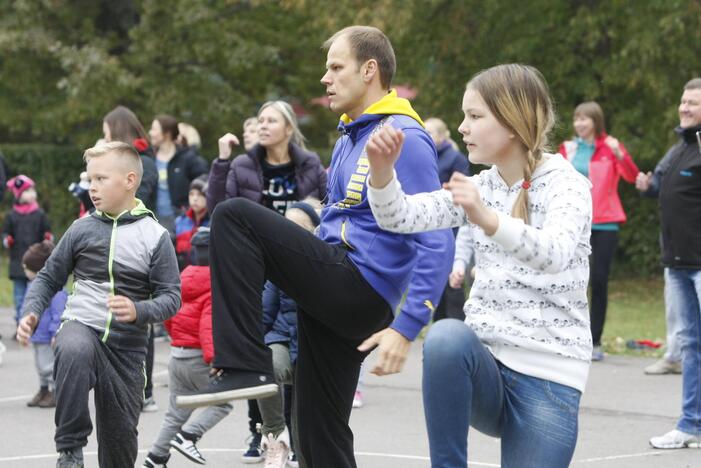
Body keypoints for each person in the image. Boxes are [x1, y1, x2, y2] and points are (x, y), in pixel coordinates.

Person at [178, 26, 453, 468]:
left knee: (232, 217)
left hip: (357, 285)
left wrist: (408, 324)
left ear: (369, 71)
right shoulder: (349, 136)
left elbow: (437, 235)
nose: (325, 78)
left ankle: (244, 362)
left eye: (335, 67)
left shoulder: (404, 136)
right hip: (333, 292)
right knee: (315, 437)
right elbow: (336, 217)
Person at [366, 63, 592, 468]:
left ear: (511, 122)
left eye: (474, 116)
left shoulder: (566, 184)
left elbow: (554, 253)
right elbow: (400, 217)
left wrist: (487, 218)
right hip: (487, 369)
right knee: (447, 337)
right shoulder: (483, 184)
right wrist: (382, 176)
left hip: (550, 380)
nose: (462, 127)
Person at [16, 141, 181, 468]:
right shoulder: (81, 228)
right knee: (73, 348)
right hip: (83, 326)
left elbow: (171, 297)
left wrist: (139, 311)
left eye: (101, 179)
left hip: (128, 350)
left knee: (119, 446)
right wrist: (31, 311)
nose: (91, 187)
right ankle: (70, 451)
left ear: (130, 180)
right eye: (90, 179)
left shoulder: (155, 236)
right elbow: (48, 277)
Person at [637, 78, 701, 449]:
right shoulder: (678, 148)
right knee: (691, 345)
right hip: (677, 264)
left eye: (693, 102)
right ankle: (691, 424)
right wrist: (648, 185)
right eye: (683, 100)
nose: (685, 107)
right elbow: (661, 187)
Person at [142, 227, 233, 468]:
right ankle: (189, 435)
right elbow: (207, 325)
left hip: (177, 355)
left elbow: (169, 317)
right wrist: (214, 359)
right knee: (223, 403)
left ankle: (155, 459)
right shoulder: (215, 283)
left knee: (176, 413)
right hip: (198, 359)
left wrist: (177, 339)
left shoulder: (181, 279)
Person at [559, 102, 639, 361]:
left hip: (605, 223)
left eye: (585, 119)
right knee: (570, 279)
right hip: (574, 222)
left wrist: (619, 153)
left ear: (596, 121)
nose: (580, 124)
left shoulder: (610, 148)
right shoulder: (567, 149)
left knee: (599, 280)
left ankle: (594, 341)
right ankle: (570, 335)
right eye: (576, 119)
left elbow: (632, 176)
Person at [257, 199, 320, 468]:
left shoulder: (326, 264)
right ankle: (275, 439)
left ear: (314, 231)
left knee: (305, 417)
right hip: (282, 338)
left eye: (296, 227)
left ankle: (304, 451)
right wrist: (247, 348)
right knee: (265, 364)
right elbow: (265, 313)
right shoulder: (277, 265)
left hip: (316, 348)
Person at [206, 101, 327, 216]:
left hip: (299, 236)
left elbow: (331, 205)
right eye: (260, 121)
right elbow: (217, 211)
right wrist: (222, 161)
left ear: (289, 129)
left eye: (271, 121)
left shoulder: (311, 164)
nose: (263, 126)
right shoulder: (241, 165)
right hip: (254, 237)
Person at [425, 117, 471, 322]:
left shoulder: (456, 158)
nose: (427, 136)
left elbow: (461, 190)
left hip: (451, 222)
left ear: (443, 136)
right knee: (437, 272)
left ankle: (456, 319)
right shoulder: (426, 156)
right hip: (429, 219)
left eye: (431, 132)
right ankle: (440, 318)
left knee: (452, 272)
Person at [2, 175, 53, 333]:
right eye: (28, 191)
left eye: (33, 190)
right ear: (19, 195)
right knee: (19, 297)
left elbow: (48, 234)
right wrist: (6, 240)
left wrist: (48, 238)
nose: (33, 193)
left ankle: (34, 325)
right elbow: (4, 234)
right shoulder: (12, 216)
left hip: (36, 264)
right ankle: (20, 325)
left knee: (36, 295)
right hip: (18, 263)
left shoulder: (40, 215)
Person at [23, 240, 67, 409]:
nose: (24, 270)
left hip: (48, 337)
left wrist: (55, 333)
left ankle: (56, 392)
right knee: (40, 366)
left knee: (49, 366)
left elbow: (59, 314)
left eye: (26, 267)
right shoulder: (32, 287)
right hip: (37, 335)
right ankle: (43, 390)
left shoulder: (55, 291)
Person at [149, 114, 209, 234]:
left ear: (167, 133)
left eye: (154, 129)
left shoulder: (187, 158)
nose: (150, 133)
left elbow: (205, 181)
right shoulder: (149, 158)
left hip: (181, 221)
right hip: (153, 220)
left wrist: (189, 207)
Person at [103, 106, 159, 212]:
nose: (105, 138)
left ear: (117, 132)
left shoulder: (144, 163)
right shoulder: (114, 163)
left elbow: (137, 202)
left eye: (106, 132)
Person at [174, 176, 210, 269]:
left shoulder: (213, 222)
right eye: (191, 194)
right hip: (182, 276)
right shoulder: (179, 221)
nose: (195, 198)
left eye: (200, 194)